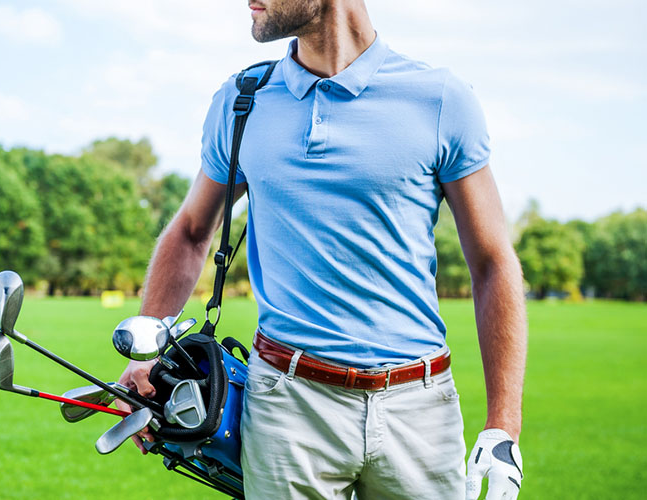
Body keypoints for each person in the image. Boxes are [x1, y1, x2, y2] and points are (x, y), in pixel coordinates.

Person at [117, 1, 527, 498]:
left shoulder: (440, 100)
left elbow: (492, 262)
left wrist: (503, 426)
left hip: (420, 412)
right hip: (286, 408)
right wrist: (147, 353)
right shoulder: (242, 100)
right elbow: (189, 232)